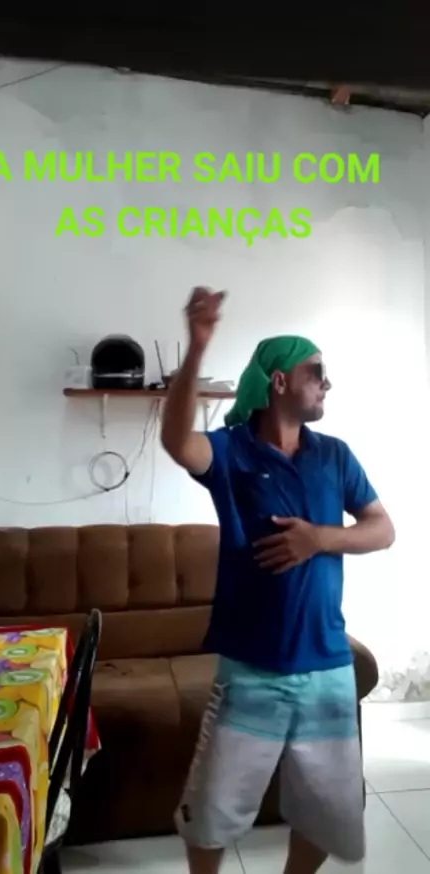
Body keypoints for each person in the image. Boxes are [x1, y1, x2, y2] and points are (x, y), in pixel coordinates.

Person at [161, 287, 395, 874]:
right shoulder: (233, 452)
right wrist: (197, 348)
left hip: (327, 665)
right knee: (211, 814)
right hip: (252, 669)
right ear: (279, 381)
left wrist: (320, 538)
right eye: (316, 371)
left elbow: (382, 529)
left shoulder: (335, 455)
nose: (327, 383)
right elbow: (177, 443)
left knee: (325, 814)